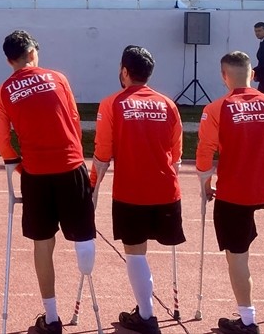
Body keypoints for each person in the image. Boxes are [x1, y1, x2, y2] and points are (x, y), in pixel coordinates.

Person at [0, 30, 95, 334]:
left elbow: (2, 142)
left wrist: (20, 166)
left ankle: (51, 318)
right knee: (82, 234)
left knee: (43, 243)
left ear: (10, 60)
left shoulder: (2, 92)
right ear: (33, 52)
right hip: (70, 166)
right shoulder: (58, 78)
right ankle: (86, 268)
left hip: (36, 173)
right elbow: (74, 119)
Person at [196, 51, 264, 334]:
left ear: (223, 76)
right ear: (252, 74)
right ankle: (247, 316)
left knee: (236, 255)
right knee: (240, 248)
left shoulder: (217, 108)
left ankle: (248, 319)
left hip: (234, 193)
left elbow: (205, 153)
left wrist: (205, 184)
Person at [90, 46, 184, 334]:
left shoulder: (111, 104)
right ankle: (145, 312)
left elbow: (102, 154)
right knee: (144, 252)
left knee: (135, 252)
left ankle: (146, 315)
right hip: (167, 190)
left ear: (125, 71)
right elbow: (176, 153)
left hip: (132, 192)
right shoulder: (168, 104)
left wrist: (92, 186)